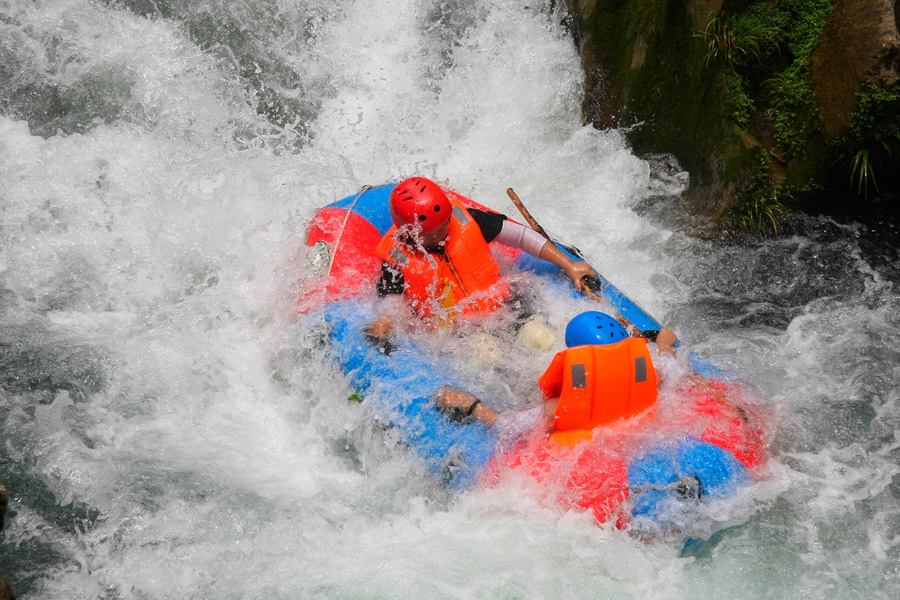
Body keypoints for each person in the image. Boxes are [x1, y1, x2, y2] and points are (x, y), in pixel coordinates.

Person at [367, 177, 598, 338]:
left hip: (503, 306)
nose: (442, 235)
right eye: (432, 234)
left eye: (444, 225)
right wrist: (386, 319)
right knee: (486, 354)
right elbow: (392, 299)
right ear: (410, 233)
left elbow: (521, 237)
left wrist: (568, 264)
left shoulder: (464, 218)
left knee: (538, 336)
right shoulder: (397, 256)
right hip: (459, 333)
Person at [435, 311, 678, 436]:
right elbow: (670, 364)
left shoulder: (560, 406)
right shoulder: (652, 376)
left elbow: (505, 426)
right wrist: (664, 343)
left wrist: (467, 403)